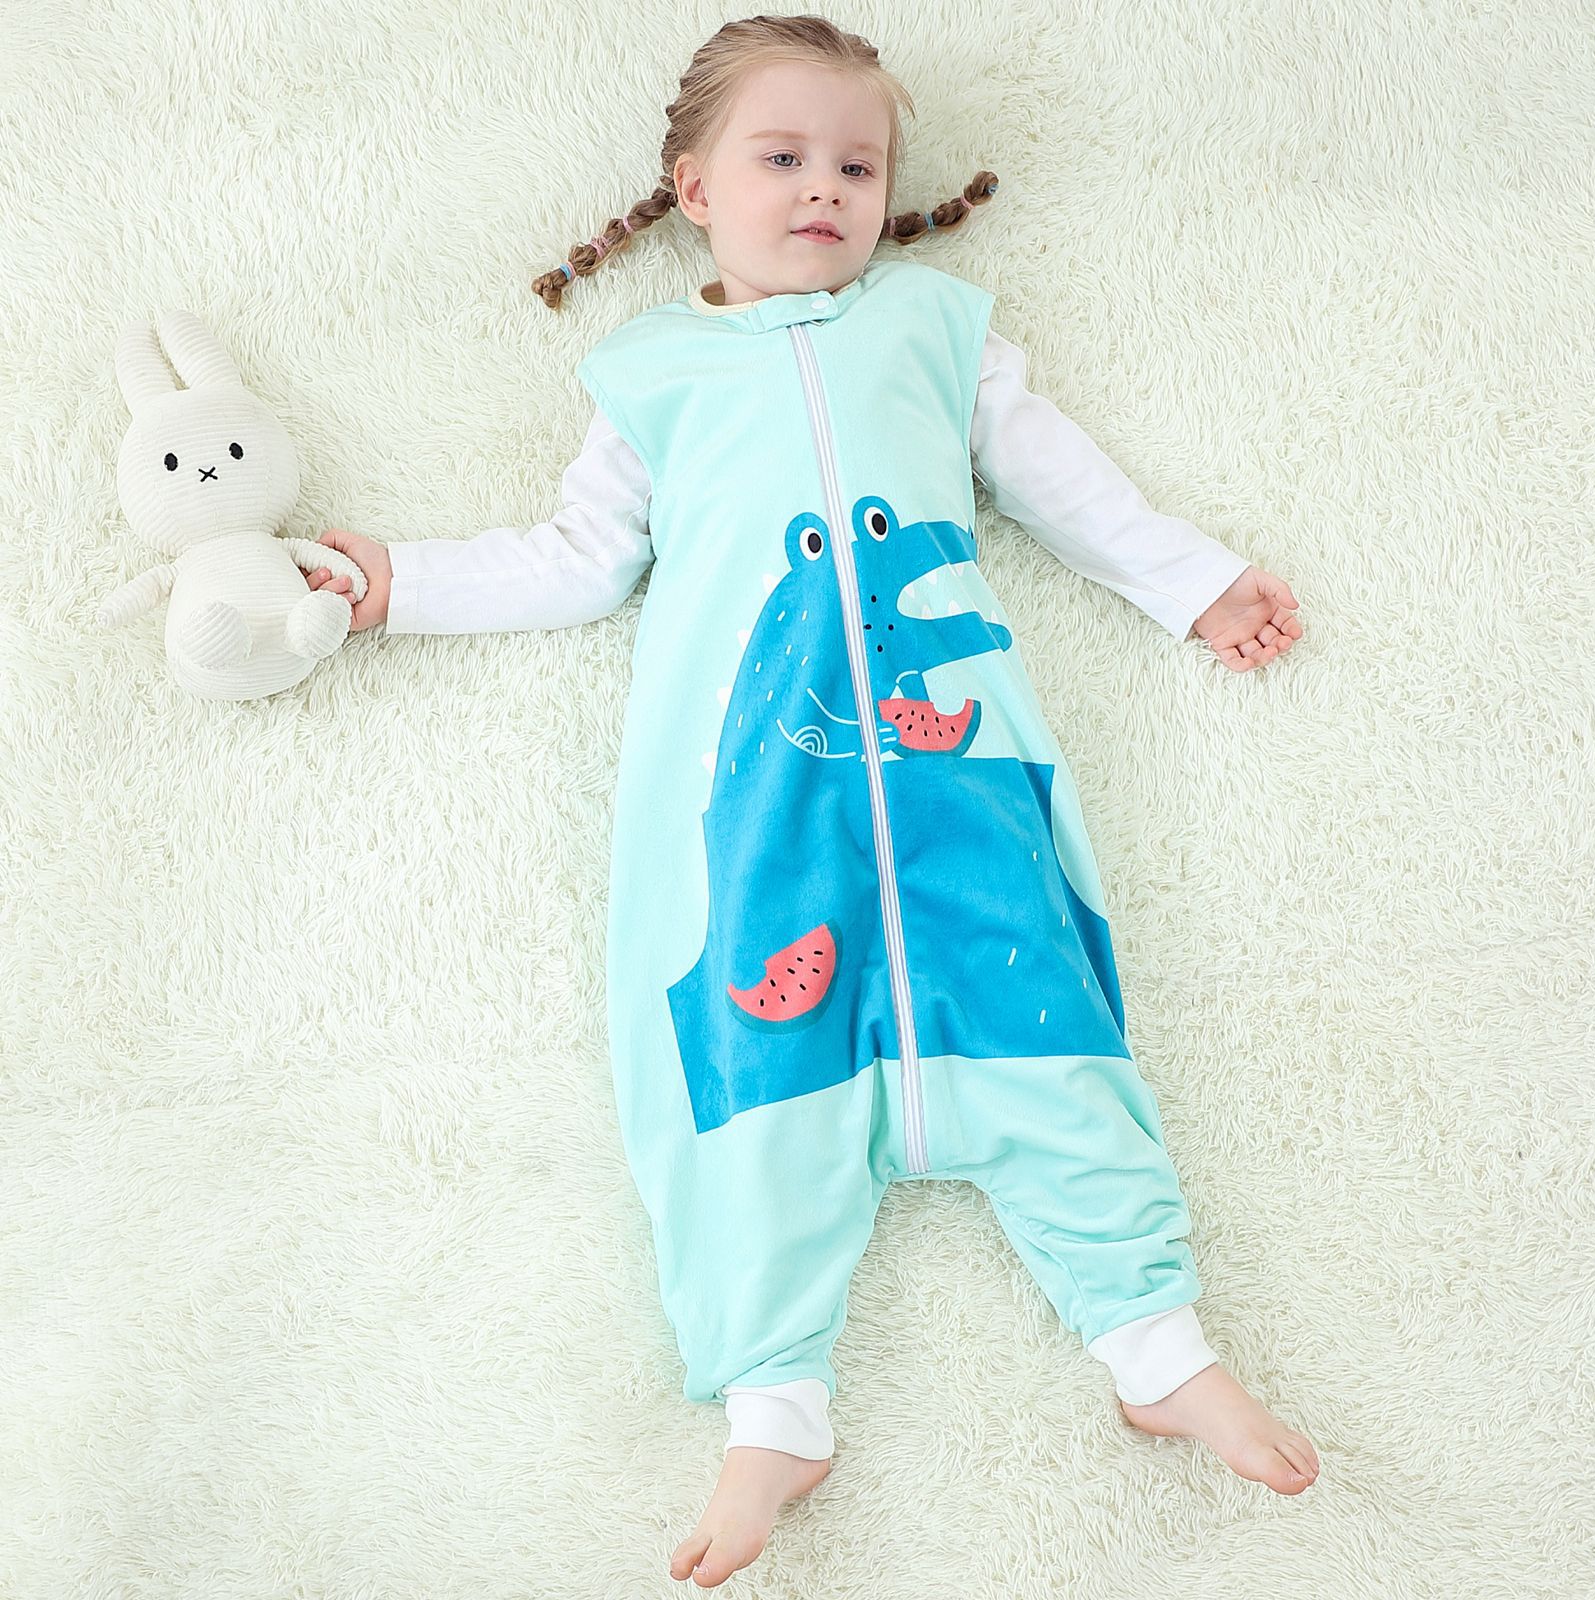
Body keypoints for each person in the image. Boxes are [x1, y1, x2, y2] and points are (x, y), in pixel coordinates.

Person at [307, 14, 1316, 1589]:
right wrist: (400, 584)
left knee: (1057, 1034)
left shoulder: (933, 328)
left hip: (955, 777)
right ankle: (775, 1407)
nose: (826, 188)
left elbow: (1061, 480)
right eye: (783, 157)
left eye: (858, 164)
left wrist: (1194, 583)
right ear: (696, 188)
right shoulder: (650, 375)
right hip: (764, 802)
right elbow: (575, 560)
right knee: (748, 1092)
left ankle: (1156, 1348)